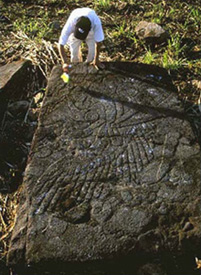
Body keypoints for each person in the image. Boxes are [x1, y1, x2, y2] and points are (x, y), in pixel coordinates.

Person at [58, 7, 105, 72]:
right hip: (75, 35)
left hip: (91, 34)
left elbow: (99, 42)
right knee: (74, 55)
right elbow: (61, 43)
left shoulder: (96, 23)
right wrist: (65, 62)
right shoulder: (71, 23)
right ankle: (76, 71)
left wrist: (96, 60)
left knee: (92, 55)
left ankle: (89, 71)